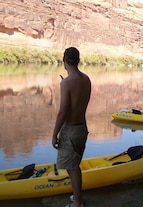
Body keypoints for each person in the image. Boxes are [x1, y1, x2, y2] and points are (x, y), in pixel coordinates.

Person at [52, 47, 91, 207]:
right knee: (74, 165)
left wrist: (54, 134)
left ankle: (78, 202)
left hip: (70, 131)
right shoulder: (86, 79)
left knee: (72, 168)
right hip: (82, 128)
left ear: (64, 61)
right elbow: (79, 99)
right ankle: (77, 197)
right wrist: (65, 82)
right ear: (78, 60)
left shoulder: (66, 83)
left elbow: (63, 112)